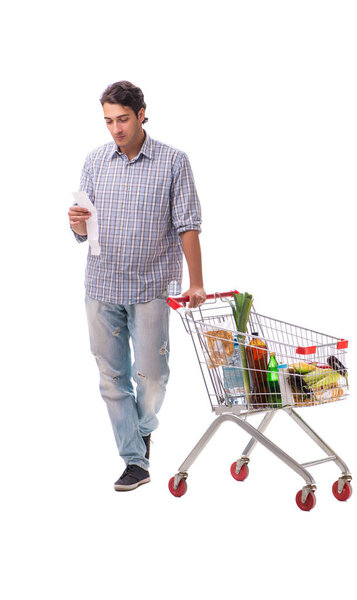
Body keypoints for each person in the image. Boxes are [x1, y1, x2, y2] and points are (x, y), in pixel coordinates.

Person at [68, 81, 206, 492]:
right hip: (101, 284)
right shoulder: (95, 160)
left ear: (142, 113)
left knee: (152, 377)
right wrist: (75, 222)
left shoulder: (173, 162)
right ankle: (135, 460)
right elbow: (83, 226)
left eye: (123, 119)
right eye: (109, 120)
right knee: (111, 378)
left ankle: (142, 430)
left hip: (150, 288)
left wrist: (196, 282)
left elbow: (188, 225)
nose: (116, 128)